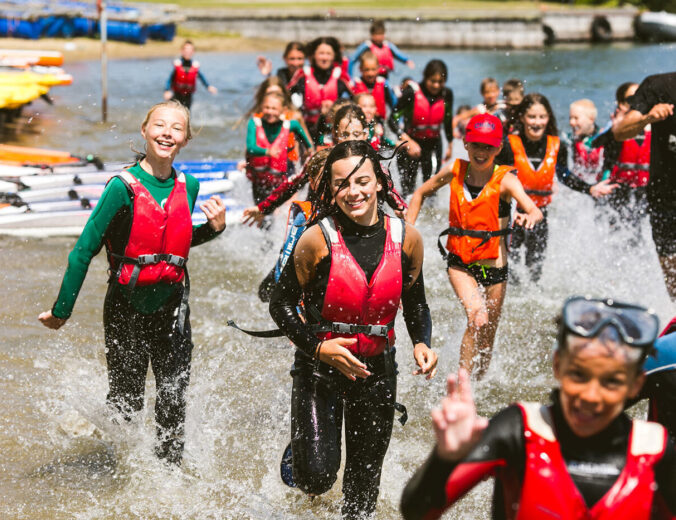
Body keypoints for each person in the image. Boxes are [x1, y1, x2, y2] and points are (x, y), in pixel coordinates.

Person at [38, 100, 226, 465]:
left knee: (173, 400)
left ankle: (168, 483)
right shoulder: (121, 187)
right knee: (127, 405)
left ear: (185, 139)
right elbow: (83, 250)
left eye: (176, 128)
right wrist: (62, 311)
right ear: (144, 130)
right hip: (125, 307)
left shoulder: (189, 186)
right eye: (159, 125)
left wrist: (214, 230)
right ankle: (122, 473)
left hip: (173, 308)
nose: (167, 133)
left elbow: (176, 244)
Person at [269, 140, 437, 519]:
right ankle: (303, 452)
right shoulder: (316, 238)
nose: (353, 192)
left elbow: (416, 302)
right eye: (342, 184)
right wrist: (317, 348)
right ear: (330, 189)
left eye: (362, 181)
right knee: (317, 479)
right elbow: (278, 303)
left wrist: (422, 342)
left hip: (377, 372)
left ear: (379, 181)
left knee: (361, 494)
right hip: (319, 368)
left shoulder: (407, 239)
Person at [401, 296, 676, 520]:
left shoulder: (655, 450)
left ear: (636, 384)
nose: (592, 396)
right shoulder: (519, 430)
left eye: (611, 382)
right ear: (557, 366)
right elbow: (416, 512)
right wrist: (445, 457)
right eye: (578, 376)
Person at [407, 114, 542, 378]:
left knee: (487, 335)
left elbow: (535, 210)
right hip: (460, 263)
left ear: (498, 149)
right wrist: (407, 232)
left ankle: (479, 383)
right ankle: (461, 386)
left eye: (488, 147)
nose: (482, 152)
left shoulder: (506, 180)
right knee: (477, 317)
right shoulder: (454, 169)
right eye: (476, 145)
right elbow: (420, 193)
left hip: (495, 269)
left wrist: (528, 217)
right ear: (466, 145)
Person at [496, 93, 615, 283]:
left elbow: (564, 175)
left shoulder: (557, 145)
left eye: (542, 117)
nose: (537, 122)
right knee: (512, 273)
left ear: (548, 118)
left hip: (540, 216)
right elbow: (495, 179)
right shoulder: (509, 144)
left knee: (535, 272)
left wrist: (590, 189)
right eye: (532, 117)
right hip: (513, 216)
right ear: (522, 118)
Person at [612, 72, 676, 301]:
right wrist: (647, 118)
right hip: (664, 197)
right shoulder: (658, 86)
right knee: (673, 279)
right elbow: (620, 132)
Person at [593, 82, 650, 245]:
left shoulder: (654, 126)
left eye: (642, 98)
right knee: (617, 234)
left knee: (641, 233)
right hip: (617, 189)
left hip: (644, 189)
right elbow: (594, 144)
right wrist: (616, 127)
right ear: (620, 104)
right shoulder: (614, 126)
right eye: (630, 100)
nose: (636, 104)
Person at [389, 59, 454, 197]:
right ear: (425, 77)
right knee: (408, 188)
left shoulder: (446, 94)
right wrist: (407, 141)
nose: (436, 85)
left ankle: (430, 217)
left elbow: (448, 120)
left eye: (440, 82)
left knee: (431, 187)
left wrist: (450, 144)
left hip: (433, 144)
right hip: (410, 143)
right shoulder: (411, 93)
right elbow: (391, 119)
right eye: (432, 81)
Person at [245, 91, 314, 203]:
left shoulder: (290, 125)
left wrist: (309, 149)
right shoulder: (254, 123)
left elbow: (303, 136)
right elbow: (250, 148)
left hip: (281, 178)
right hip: (259, 179)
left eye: (274, 108)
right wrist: (267, 152)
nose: (270, 111)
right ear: (261, 107)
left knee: (278, 208)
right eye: (267, 107)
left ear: (284, 110)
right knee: (260, 209)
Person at [287, 37, 352, 140]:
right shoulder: (302, 74)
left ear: (334, 56)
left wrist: (339, 107)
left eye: (328, 54)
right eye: (321, 53)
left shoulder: (341, 76)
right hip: (307, 128)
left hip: (332, 129)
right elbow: (284, 95)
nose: (324, 58)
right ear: (313, 55)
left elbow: (358, 97)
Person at [348, 19, 415, 78]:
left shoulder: (387, 45)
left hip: (384, 76)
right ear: (372, 35)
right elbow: (352, 60)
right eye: (377, 34)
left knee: (385, 87)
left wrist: (407, 61)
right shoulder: (366, 46)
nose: (379, 37)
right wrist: (349, 77)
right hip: (369, 77)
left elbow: (397, 54)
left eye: (381, 34)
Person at [163, 40, 217, 109]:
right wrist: (167, 90)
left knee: (186, 113)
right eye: (186, 49)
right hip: (177, 94)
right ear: (182, 51)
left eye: (190, 50)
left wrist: (208, 86)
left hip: (188, 95)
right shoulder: (178, 64)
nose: (187, 52)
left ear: (193, 52)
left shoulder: (194, 65)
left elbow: (201, 77)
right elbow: (170, 79)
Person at [566, 99, 605, 184]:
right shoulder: (570, 141)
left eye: (576, 118)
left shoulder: (603, 138)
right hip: (580, 184)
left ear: (591, 119)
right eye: (570, 118)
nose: (571, 122)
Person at [351, 51, 397, 120]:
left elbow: (394, 106)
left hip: (379, 122)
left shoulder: (384, 84)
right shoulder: (354, 85)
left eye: (373, 69)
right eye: (367, 70)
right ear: (360, 69)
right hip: (359, 123)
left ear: (378, 69)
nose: (370, 73)